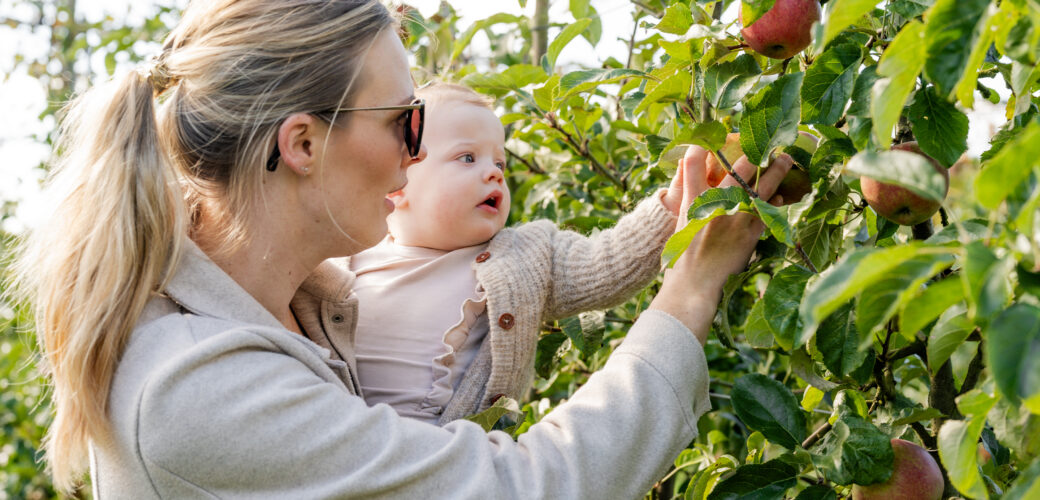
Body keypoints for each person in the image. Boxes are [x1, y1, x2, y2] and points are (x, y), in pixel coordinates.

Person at [11, 0, 792, 497]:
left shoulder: (303, 314)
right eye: (403, 122)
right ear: (305, 142)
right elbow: (525, 489)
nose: (415, 155)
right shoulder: (194, 389)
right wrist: (691, 288)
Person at [348, 82, 694, 425]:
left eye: (499, 162)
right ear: (395, 181)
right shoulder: (343, 259)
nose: (494, 173)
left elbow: (609, 264)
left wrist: (672, 206)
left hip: (450, 461)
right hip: (349, 456)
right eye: (467, 157)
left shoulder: (523, 260)